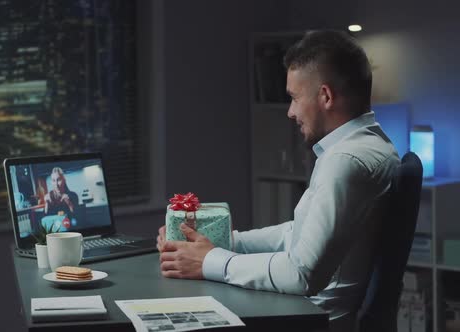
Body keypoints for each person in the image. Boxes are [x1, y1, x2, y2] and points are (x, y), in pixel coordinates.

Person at [156, 30, 399, 332]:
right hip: (303, 313)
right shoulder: (373, 147)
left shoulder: (345, 162)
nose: (290, 112)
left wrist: (210, 260)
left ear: (325, 96)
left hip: (307, 320)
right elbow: (298, 233)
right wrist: (225, 243)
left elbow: (301, 273)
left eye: (294, 98)